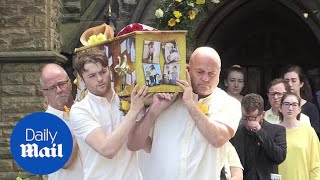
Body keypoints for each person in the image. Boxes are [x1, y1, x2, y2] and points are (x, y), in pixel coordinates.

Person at [127, 47, 242, 180]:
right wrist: (154, 110)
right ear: (187, 70)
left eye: (212, 74)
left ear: (219, 73)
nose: (205, 78)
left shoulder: (228, 103)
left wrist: (190, 103)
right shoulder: (166, 96)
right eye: (200, 72)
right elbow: (133, 144)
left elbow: (217, 139)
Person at [70, 50, 149, 180]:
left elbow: (146, 145)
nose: (100, 79)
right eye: (92, 76)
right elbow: (107, 150)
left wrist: (155, 107)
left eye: (103, 72)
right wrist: (134, 112)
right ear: (82, 79)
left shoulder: (129, 99)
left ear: (110, 70)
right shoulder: (80, 110)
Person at [40, 63, 83, 180]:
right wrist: (80, 125)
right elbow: (64, 162)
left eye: (61, 84)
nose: (58, 90)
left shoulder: (84, 109)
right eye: (52, 87)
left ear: (70, 83)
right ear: (44, 92)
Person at [230, 93, 287, 180]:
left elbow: (279, 157)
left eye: (253, 118)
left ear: (263, 115)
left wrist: (260, 132)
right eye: (245, 118)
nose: (248, 122)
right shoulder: (236, 131)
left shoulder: (277, 130)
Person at [278, 92, 320, 180]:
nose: (290, 108)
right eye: (286, 104)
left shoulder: (309, 131)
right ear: (280, 108)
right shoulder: (274, 131)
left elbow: (316, 165)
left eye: (294, 105)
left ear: (299, 109)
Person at [281, 65, 320, 137]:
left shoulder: (311, 108)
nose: (290, 84)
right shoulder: (277, 105)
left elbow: (316, 134)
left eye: (293, 81)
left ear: (301, 83)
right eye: (286, 81)